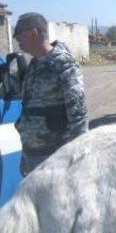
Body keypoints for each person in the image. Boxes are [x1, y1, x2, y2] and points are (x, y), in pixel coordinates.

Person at [12, 12, 88, 174]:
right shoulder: (33, 66)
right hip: (33, 156)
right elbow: (29, 113)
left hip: (55, 160)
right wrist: (25, 156)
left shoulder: (63, 64)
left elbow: (79, 116)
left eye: (19, 36)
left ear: (34, 33)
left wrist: (76, 162)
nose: (16, 40)